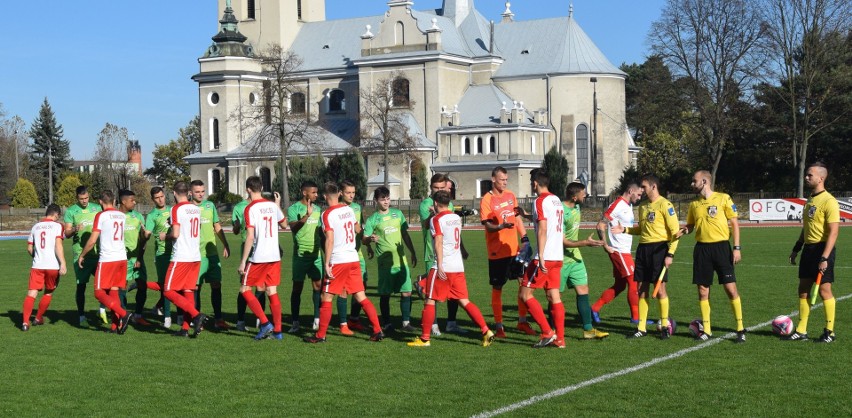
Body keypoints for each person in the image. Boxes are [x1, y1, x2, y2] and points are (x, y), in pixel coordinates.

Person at [408, 190, 495, 347]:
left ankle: (425, 339)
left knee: (429, 299)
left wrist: (439, 264)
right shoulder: (456, 217)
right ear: (448, 203)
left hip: (444, 266)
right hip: (457, 266)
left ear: (435, 203)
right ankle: (486, 330)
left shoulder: (436, 219)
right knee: (464, 301)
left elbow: (439, 242)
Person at [304, 182, 384, 343]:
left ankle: (320, 335)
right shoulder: (348, 210)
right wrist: (367, 240)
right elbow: (356, 229)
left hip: (338, 261)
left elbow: (330, 239)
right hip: (353, 258)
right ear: (339, 194)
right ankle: (377, 330)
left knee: (326, 297)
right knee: (361, 296)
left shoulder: (327, 214)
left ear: (326, 196)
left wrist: (327, 263)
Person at [675, 171, 745, 342]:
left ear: (704, 181)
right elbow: (691, 225)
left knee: (730, 289)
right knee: (703, 290)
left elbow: (735, 224)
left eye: (694, 181)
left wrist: (736, 248)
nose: (692, 184)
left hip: (721, 248)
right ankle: (706, 330)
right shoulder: (694, 204)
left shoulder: (723, 198)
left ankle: (740, 328)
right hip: (702, 250)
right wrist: (684, 230)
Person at [612, 174, 679, 340]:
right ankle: (641, 328)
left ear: (653, 186)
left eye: (644, 187)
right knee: (641, 289)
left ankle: (664, 325)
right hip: (643, 249)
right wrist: (625, 230)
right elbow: (641, 229)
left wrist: (670, 254)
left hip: (659, 249)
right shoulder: (642, 207)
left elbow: (675, 233)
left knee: (661, 289)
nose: (641, 190)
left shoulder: (665, 204)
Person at [787, 162, 840, 343]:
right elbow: (806, 228)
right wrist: (796, 248)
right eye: (807, 175)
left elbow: (833, 232)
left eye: (810, 175)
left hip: (822, 249)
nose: (806, 177)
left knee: (825, 290)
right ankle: (801, 330)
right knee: (803, 290)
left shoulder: (829, 201)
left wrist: (825, 257)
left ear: (821, 178)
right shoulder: (810, 200)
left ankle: (829, 331)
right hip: (808, 250)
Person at [479, 166, 532, 338]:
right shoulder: (487, 199)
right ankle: (499, 326)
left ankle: (522, 322)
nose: (505, 182)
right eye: (502, 179)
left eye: (506, 180)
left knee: (523, 283)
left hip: (514, 249)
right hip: (497, 252)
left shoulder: (510, 195)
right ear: (493, 179)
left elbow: (517, 217)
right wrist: (500, 226)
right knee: (498, 287)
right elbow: (487, 225)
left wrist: (524, 238)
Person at [518, 169, 564, 348]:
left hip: (545, 257)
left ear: (535, 183)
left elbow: (543, 228)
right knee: (554, 296)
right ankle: (560, 339)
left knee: (525, 294)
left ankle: (547, 332)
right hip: (558, 256)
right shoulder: (556, 200)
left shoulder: (539, 201)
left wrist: (541, 256)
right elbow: (546, 220)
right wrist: (526, 215)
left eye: (531, 182)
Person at [237, 176, 286, 341]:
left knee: (244, 289)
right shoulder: (272, 205)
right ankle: (278, 332)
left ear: (248, 190)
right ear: (262, 187)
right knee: (272, 290)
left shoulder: (250, 208)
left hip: (259, 256)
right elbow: (285, 225)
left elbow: (250, 236)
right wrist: (277, 207)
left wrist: (243, 261)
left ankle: (265, 324)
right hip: (274, 255)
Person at [418, 173, 468, 336]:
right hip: (432, 255)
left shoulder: (449, 204)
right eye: (436, 188)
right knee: (431, 293)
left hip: (451, 257)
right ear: (430, 188)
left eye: (441, 187)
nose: (439, 190)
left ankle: (451, 323)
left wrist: (462, 248)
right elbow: (426, 225)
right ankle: (433, 325)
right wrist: (434, 213)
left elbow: (453, 229)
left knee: (453, 293)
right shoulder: (426, 204)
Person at [363, 186, 418, 331]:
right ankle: (387, 323)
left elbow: (405, 234)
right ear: (376, 201)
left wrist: (412, 251)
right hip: (385, 263)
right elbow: (364, 239)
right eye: (383, 199)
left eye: (388, 198)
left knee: (407, 292)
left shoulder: (398, 214)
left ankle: (406, 323)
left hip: (401, 261)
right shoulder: (372, 220)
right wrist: (370, 239)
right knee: (385, 294)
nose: (386, 202)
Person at [77, 190, 133, 334]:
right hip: (122, 258)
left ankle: (124, 314)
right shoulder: (121, 215)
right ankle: (115, 326)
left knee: (99, 292)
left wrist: (82, 254)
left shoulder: (100, 215)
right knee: (113, 290)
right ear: (114, 201)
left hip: (108, 259)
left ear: (101, 202)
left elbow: (92, 240)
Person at [560, 182, 609, 340]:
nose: (585, 195)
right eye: (583, 193)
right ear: (574, 197)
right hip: (560, 259)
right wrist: (585, 243)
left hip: (575, 257)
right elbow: (561, 241)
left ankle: (588, 329)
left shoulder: (576, 207)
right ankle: (554, 330)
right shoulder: (560, 211)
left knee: (583, 290)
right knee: (555, 296)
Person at [592, 181, 645, 324]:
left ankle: (595, 308)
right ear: (631, 191)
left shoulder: (629, 205)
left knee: (620, 285)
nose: (639, 197)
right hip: (618, 250)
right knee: (634, 281)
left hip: (624, 251)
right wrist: (605, 244)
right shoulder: (617, 205)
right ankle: (636, 318)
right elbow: (601, 224)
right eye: (639, 194)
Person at [162, 181, 208, 337]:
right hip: (195, 256)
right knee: (188, 292)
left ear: (174, 193)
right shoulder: (196, 209)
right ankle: (185, 329)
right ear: (188, 193)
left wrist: (165, 236)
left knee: (168, 291)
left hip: (181, 256)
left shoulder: (175, 209)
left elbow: (175, 233)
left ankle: (196, 315)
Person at [190, 180, 231, 330]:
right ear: (190, 193)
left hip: (212, 253)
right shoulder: (187, 208)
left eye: (202, 191)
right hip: (196, 255)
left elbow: (217, 226)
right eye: (197, 192)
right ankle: (196, 319)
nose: (200, 194)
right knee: (196, 287)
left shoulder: (210, 206)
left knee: (216, 285)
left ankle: (218, 319)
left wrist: (225, 244)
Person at [64, 185, 105, 326]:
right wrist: (75, 229)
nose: (84, 201)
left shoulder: (97, 208)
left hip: (97, 252)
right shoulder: (71, 211)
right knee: (81, 286)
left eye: (86, 198)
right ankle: (81, 316)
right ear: (77, 198)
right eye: (81, 199)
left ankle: (102, 309)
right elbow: (67, 233)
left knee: (103, 283)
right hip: (80, 254)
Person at [21, 204, 67, 331]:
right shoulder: (58, 226)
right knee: (49, 291)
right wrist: (63, 263)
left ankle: (25, 323)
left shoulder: (35, 226)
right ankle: (38, 318)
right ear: (56, 214)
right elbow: (58, 245)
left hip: (37, 266)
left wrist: (37, 257)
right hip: (52, 266)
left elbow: (30, 248)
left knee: (32, 293)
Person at [287, 180, 324, 333]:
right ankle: (295, 322)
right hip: (300, 255)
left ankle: (317, 319)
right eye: (313, 192)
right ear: (304, 193)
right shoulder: (293, 208)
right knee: (297, 288)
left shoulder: (319, 209)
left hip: (316, 255)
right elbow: (293, 228)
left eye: (317, 192)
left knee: (318, 287)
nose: (317, 195)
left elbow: (321, 233)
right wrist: (306, 216)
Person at [232, 194, 267, 332]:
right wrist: (236, 226)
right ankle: (240, 320)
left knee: (261, 286)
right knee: (245, 285)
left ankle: (260, 320)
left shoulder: (264, 205)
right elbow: (236, 231)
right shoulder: (239, 207)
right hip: (247, 249)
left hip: (263, 249)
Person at [118, 190, 151, 326]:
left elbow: (143, 240)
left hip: (137, 258)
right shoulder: (116, 217)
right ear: (123, 201)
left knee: (142, 285)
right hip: (122, 259)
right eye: (132, 200)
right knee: (122, 287)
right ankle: (122, 316)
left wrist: (139, 258)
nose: (135, 202)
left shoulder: (138, 216)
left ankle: (138, 315)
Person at [143, 186, 173, 328]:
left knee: (174, 287)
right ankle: (167, 317)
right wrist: (144, 233)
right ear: (153, 200)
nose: (160, 199)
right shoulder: (152, 215)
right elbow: (147, 234)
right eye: (157, 197)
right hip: (162, 255)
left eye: (162, 196)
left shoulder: (173, 210)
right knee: (166, 287)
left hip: (177, 253)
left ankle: (159, 308)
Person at [340, 180, 367, 335]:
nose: (351, 195)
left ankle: (354, 319)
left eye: (353, 193)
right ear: (341, 193)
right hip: (343, 256)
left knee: (362, 286)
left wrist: (367, 244)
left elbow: (360, 229)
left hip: (358, 254)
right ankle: (343, 323)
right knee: (343, 289)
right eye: (348, 192)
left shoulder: (356, 207)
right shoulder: (336, 209)